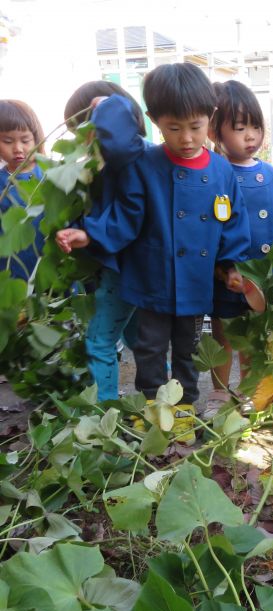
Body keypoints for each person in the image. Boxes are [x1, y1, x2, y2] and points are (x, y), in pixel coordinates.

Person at [56, 63, 251, 444]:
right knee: (147, 351)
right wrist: (88, 234)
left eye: (195, 127)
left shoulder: (223, 171)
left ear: (209, 118)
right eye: (173, 128)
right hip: (151, 281)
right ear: (153, 121)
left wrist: (230, 267)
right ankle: (151, 410)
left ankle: (183, 413)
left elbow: (232, 223)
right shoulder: (144, 164)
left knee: (187, 353)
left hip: (195, 286)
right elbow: (126, 215)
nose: (186, 138)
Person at [204, 80, 273, 419]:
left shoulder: (272, 176)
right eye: (240, 128)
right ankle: (218, 393)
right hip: (228, 276)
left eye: (256, 126)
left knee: (258, 336)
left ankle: (257, 391)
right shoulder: (214, 175)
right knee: (225, 335)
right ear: (215, 131)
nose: (251, 135)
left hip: (265, 277)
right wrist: (223, 268)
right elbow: (210, 229)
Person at [63, 81, 147, 402]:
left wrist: (107, 108)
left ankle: (104, 415)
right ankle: (157, 400)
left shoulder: (129, 156)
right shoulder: (104, 165)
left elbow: (125, 217)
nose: (80, 140)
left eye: (83, 128)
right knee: (140, 338)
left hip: (125, 268)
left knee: (99, 341)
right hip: (131, 266)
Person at [0, 99, 45, 280]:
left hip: (51, 268)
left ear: (36, 137)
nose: (18, 149)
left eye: (25, 140)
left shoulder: (51, 173)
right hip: (12, 269)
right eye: (7, 141)